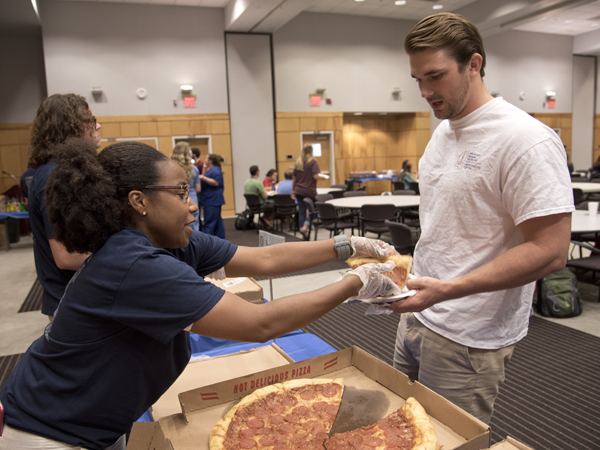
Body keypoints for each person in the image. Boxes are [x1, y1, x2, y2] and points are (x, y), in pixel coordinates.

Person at [0, 139, 398, 450]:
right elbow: (263, 323)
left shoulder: (173, 242)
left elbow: (266, 259)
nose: (192, 206)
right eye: (179, 193)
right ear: (139, 201)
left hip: (89, 421)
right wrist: (356, 283)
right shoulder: (134, 265)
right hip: (48, 431)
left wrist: (347, 245)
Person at [390, 12, 573, 424]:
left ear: (474, 64)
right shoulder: (444, 130)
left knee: (452, 437)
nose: (424, 90)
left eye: (435, 76)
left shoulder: (525, 140)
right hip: (418, 314)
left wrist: (448, 289)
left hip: (469, 335)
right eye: (418, 79)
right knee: (401, 427)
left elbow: (550, 253)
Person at [27, 93, 102, 318]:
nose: (98, 125)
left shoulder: (63, 170)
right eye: (90, 120)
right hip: (72, 305)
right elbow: (67, 256)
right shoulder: (55, 175)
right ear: (71, 128)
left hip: (80, 299)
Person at [293, 145, 326, 239]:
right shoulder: (313, 162)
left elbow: (294, 178)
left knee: (302, 211)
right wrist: (323, 177)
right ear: (311, 151)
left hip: (298, 190)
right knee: (314, 210)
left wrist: (293, 190)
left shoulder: (298, 163)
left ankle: (303, 232)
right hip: (309, 191)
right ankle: (305, 226)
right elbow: (315, 176)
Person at [171, 142, 201, 231]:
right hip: (192, 197)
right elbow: (198, 189)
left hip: (176, 199)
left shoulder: (171, 169)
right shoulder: (194, 169)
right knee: (193, 225)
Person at [200, 153, 225, 239]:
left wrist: (203, 178)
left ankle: (205, 241)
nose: (205, 160)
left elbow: (215, 182)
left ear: (210, 161)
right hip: (212, 199)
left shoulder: (215, 170)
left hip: (212, 200)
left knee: (210, 221)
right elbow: (205, 176)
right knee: (217, 221)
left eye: (206, 159)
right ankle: (220, 240)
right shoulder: (212, 170)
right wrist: (204, 168)